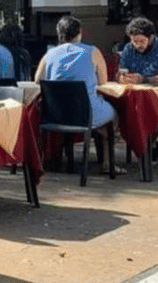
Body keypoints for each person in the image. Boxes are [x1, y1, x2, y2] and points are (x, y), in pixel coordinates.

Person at [34, 16, 118, 174]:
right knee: (113, 115)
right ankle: (107, 161)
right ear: (80, 32)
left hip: (55, 114)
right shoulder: (93, 51)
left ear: (59, 34)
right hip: (86, 112)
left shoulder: (49, 55)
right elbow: (103, 81)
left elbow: (38, 80)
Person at [118, 17, 158, 86]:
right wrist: (123, 77)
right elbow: (120, 72)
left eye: (142, 41)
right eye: (135, 41)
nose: (138, 45)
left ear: (151, 38)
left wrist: (143, 80)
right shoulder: (128, 48)